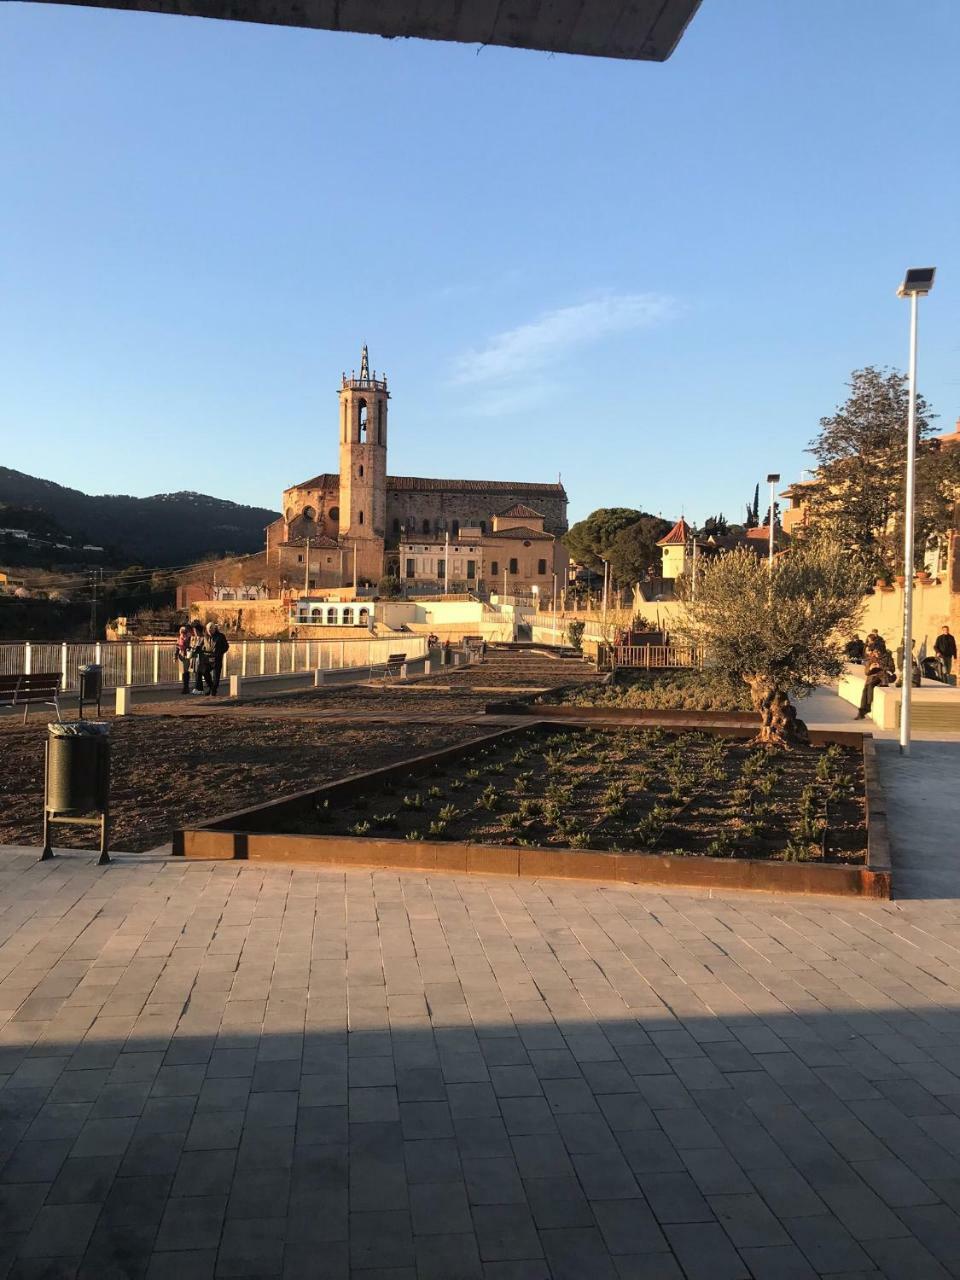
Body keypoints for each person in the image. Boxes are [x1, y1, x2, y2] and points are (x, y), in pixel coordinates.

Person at [856, 648, 889, 719]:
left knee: (870, 686)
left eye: (878, 651)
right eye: (875, 652)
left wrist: (880, 666)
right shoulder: (870, 660)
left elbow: (891, 669)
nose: (876, 653)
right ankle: (862, 712)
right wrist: (870, 668)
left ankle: (867, 706)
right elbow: (866, 673)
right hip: (871, 679)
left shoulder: (887, 658)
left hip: (881, 678)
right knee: (865, 691)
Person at [202, 622, 230, 695]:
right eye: (208, 630)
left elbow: (226, 647)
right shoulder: (205, 637)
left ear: (215, 629)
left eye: (211, 630)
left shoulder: (221, 636)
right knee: (204, 671)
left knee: (216, 676)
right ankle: (211, 687)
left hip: (217, 658)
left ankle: (213, 690)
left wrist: (219, 652)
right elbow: (203, 645)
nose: (210, 632)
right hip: (207, 658)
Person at [175, 625, 192, 695]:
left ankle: (186, 687)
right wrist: (175, 656)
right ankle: (185, 687)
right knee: (183, 672)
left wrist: (188, 648)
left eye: (184, 632)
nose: (182, 634)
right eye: (181, 632)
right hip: (181, 657)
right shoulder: (179, 639)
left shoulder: (189, 639)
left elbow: (191, 647)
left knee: (186, 672)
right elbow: (177, 648)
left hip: (187, 657)